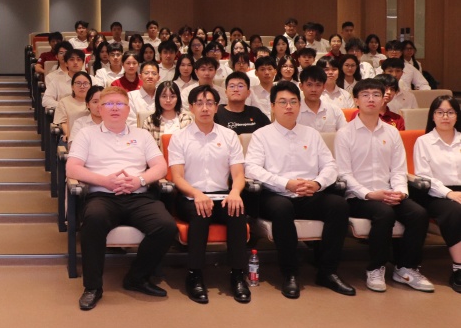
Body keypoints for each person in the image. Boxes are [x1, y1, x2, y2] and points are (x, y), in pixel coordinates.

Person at [65, 86, 177, 311]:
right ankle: (93, 287)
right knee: (93, 221)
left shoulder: (142, 135)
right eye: (108, 104)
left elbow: (160, 166)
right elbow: (72, 168)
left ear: (128, 109)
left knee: (166, 226)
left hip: (138, 195)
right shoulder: (87, 134)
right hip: (102, 195)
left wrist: (139, 180)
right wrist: (104, 181)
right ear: (99, 108)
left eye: (119, 104)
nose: (114, 108)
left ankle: (137, 277)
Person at [245, 81, 356, 299]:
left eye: (293, 102)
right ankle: (290, 273)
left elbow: (330, 165)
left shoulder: (311, 134)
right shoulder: (261, 135)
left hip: (308, 194)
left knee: (338, 206)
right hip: (275, 195)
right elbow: (252, 168)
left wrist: (317, 184)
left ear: (299, 105)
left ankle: (327, 272)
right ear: (272, 106)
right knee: (283, 209)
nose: (288, 106)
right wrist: (286, 183)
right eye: (282, 102)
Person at [334, 78, 432, 293]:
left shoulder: (392, 132)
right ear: (356, 100)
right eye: (365, 95)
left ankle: (406, 267)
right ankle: (375, 268)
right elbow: (344, 174)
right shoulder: (344, 134)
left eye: (376, 95)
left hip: (389, 192)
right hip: (357, 197)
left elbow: (398, 170)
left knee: (419, 214)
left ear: (383, 100)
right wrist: (370, 194)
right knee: (383, 213)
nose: (371, 99)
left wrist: (401, 193)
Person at [168, 84, 251, 304]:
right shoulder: (179, 138)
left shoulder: (229, 136)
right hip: (190, 196)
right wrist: (197, 194)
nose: (205, 108)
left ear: (216, 107)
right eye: (199, 103)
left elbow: (239, 174)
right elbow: (177, 177)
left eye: (209, 103)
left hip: (222, 195)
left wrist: (235, 192)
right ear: (191, 107)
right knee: (200, 212)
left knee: (237, 211)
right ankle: (194, 275)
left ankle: (238, 275)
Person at [412, 96, 461, 292]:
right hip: (435, 192)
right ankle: (458, 268)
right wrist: (449, 193)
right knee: (455, 211)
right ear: (432, 116)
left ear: (457, 116)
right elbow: (424, 177)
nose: (445, 117)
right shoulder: (424, 142)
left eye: (450, 112)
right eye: (440, 112)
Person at [296, 65, 347, 133]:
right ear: (301, 86)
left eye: (318, 85)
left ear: (324, 87)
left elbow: (346, 135)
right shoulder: (294, 112)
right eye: (309, 85)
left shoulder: (335, 111)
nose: (313, 90)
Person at [53, 71, 91, 142]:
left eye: (85, 83)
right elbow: (63, 123)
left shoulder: (95, 102)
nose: (82, 86)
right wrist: (69, 135)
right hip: (72, 137)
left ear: (90, 86)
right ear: (72, 87)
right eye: (78, 83)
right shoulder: (64, 102)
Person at [126, 60, 160, 126]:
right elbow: (131, 122)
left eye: (154, 74)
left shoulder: (163, 96)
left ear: (158, 78)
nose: (150, 76)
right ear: (140, 77)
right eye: (146, 73)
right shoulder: (131, 96)